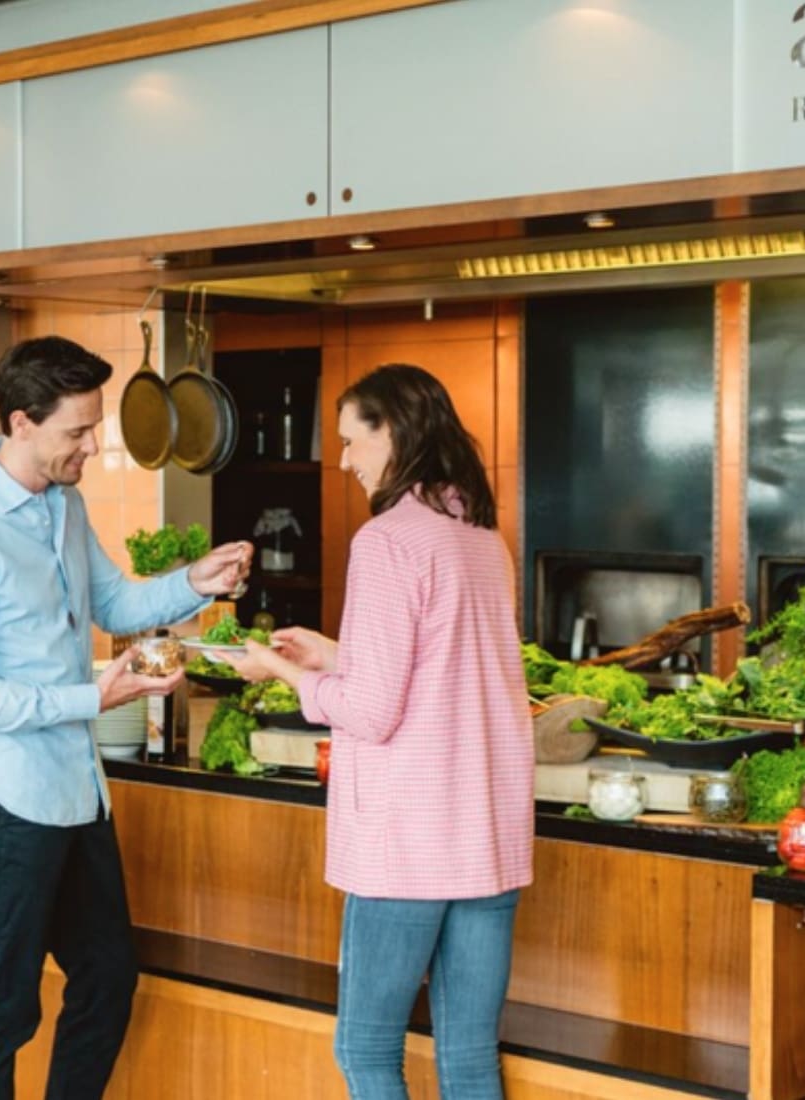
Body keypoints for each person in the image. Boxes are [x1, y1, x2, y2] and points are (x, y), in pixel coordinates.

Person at [0, 336, 252, 1100]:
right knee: (3, 1002)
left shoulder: (64, 505)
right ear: (21, 423)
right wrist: (91, 699)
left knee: (106, 976)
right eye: (78, 431)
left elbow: (116, 603)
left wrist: (195, 581)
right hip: (7, 799)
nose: (93, 446)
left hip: (76, 791)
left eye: (95, 428)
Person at [220, 364, 533, 1099]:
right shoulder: (479, 536)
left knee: (365, 1051)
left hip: (408, 844)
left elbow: (370, 712)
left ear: (391, 431)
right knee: (469, 1059)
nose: (343, 460)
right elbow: (443, 671)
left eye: (350, 440)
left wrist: (279, 670)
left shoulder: (387, 540)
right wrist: (333, 654)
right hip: (485, 838)